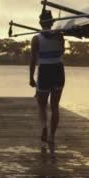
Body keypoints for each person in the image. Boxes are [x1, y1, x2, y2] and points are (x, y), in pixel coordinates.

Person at [29, 9, 66, 145]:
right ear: (52, 22)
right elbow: (62, 51)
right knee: (55, 106)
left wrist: (31, 77)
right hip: (58, 70)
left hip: (44, 71)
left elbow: (33, 60)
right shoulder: (60, 36)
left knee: (42, 104)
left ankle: (44, 126)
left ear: (40, 23)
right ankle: (51, 136)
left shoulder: (36, 39)